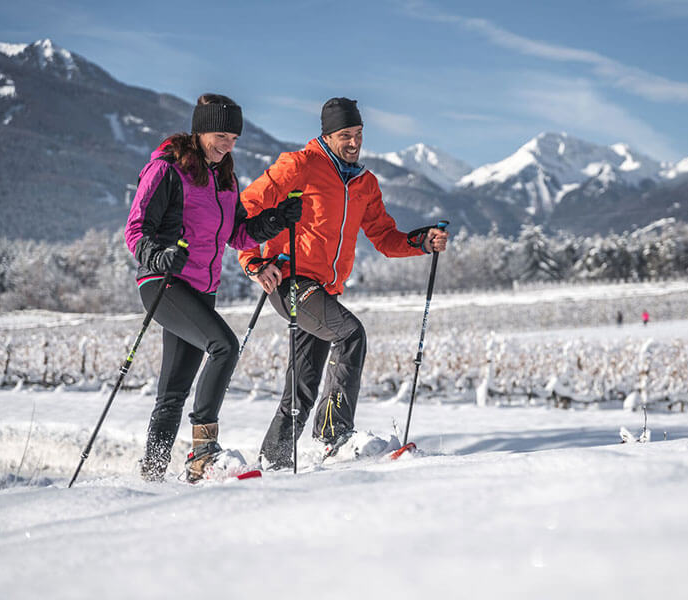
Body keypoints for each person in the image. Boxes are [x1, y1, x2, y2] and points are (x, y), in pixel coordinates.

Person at [238, 97, 449, 470]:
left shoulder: (365, 183)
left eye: (359, 134)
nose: (354, 143)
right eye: (345, 135)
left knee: (302, 385)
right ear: (327, 134)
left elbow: (384, 238)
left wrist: (420, 242)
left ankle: (272, 462)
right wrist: (252, 261)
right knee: (350, 334)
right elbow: (248, 208)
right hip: (290, 280)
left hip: (324, 290)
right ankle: (334, 437)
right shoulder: (300, 166)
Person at [124, 93, 301, 482]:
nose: (227, 144)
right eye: (221, 135)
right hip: (164, 281)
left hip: (201, 289)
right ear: (200, 131)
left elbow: (238, 234)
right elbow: (136, 230)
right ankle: (203, 453)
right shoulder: (167, 170)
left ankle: (151, 474)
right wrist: (157, 256)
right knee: (224, 345)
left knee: (173, 391)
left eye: (234, 138)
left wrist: (274, 219)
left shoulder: (225, 178)